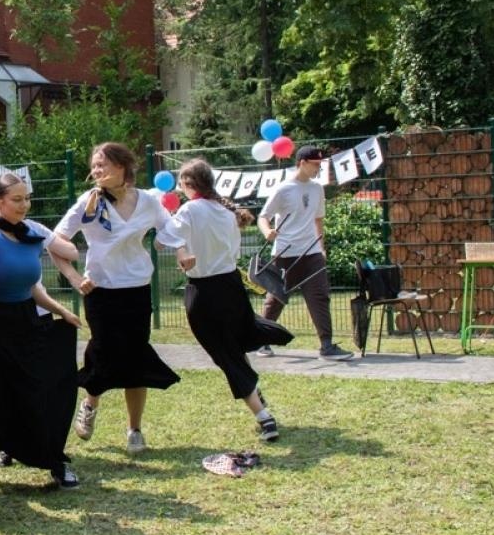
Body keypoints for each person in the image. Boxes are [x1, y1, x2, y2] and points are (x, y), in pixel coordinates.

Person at [52, 143, 180, 454]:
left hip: (137, 287)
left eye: (102, 165)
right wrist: (73, 276)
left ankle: (134, 430)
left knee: (136, 357)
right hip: (100, 290)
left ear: (122, 167)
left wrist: (175, 248)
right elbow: (55, 241)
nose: (96, 171)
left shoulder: (148, 200)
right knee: (103, 351)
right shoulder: (89, 202)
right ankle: (90, 403)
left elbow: (171, 229)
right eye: (93, 166)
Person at [159, 159, 290, 442]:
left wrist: (167, 221)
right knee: (231, 348)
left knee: (225, 354)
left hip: (204, 292)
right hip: (231, 288)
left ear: (189, 184)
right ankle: (254, 393)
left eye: (182, 184)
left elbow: (162, 240)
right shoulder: (226, 211)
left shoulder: (191, 209)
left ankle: (264, 416)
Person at [0, 171, 84, 488]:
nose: (24, 205)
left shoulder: (30, 234)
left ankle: (54, 460)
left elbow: (32, 286)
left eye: (27, 199)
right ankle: (11, 446)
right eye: (17, 199)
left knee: (47, 388)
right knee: (3, 394)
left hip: (28, 320)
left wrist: (62, 310)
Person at [256, 145, 355, 361]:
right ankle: (262, 340)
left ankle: (327, 346)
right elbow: (263, 216)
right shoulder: (283, 189)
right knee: (276, 298)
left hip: (311, 252)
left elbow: (318, 219)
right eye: (316, 164)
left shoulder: (317, 188)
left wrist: (321, 247)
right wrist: (267, 232)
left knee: (319, 296)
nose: (319, 168)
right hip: (285, 253)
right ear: (302, 163)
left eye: (321, 164)